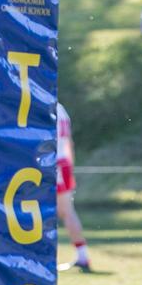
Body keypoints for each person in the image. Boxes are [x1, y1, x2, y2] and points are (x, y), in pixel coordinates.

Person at [56, 102, 91, 272]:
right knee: (66, 211)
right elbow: (70, 142)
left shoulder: (45, 104)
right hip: (64, 163)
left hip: (54, 163)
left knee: (65, 211)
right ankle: (82, 255)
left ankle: (83, 256)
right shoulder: (61, 108)